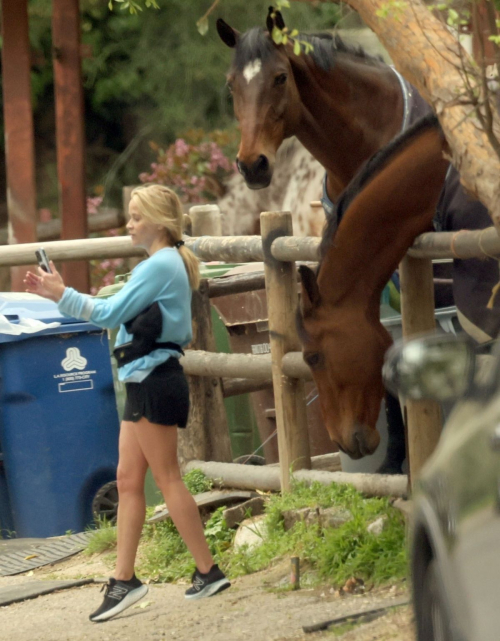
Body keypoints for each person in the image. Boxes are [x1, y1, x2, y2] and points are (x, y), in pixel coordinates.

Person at [24, 184, 230, 623]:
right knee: (128, 479)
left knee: (169, 479)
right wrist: (61, 293)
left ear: (158, 220)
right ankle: (125, 580)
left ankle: (208, 571)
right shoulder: (161, 263)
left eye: (136, 216)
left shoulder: (160, 265)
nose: (129, 223)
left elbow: (107, 312)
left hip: (155, 380)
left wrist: (61, 293)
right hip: (144, 380)